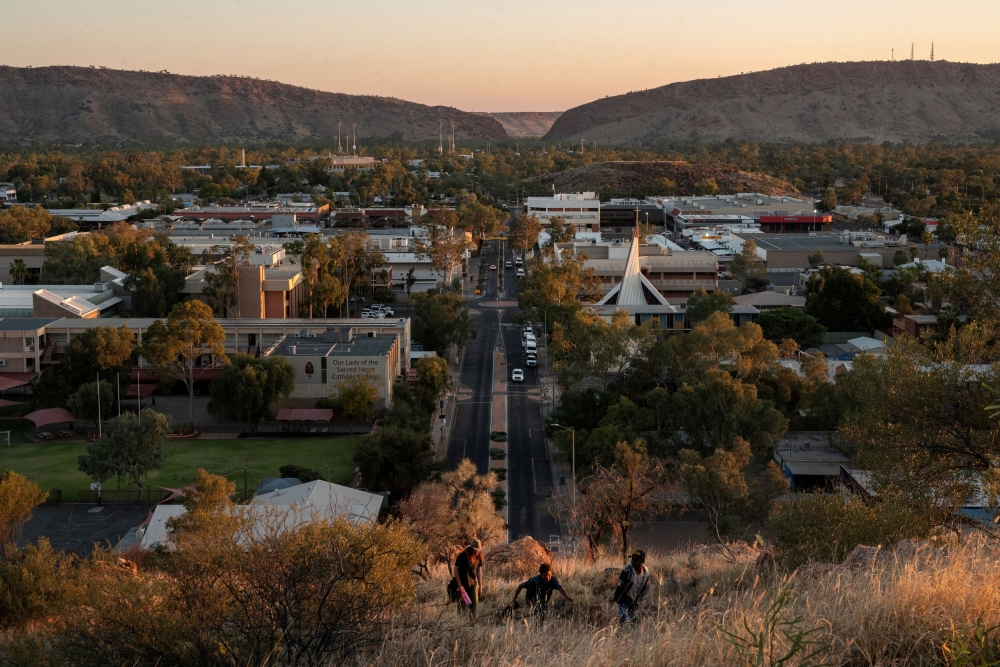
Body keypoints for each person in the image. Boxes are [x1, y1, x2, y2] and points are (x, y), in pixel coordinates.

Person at [613, 550, 650, 624]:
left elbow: (645, 587)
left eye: (636, 560)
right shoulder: (627, 570)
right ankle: (618, 633)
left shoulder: (646, 572)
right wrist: (619, 600)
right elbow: (620, 587)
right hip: (624, 598)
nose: (633, 561)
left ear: (642, 561)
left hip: (635, 599)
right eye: (632, 559)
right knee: (622, 620)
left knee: (634, 621)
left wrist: (638, 599)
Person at [453, 539, 485, 622]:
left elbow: (479, 571)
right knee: (462, 608)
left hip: (473, 584)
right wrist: (459, 585)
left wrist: (480, 586)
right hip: (462, 585)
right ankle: (461, 627)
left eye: (478, 550)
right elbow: (456, 569)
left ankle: (473, 625)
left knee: (474, 607)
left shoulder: (479, 557)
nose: (476, 551)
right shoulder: (462, 556)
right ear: (471, 549)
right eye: (475, 550)